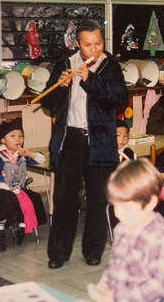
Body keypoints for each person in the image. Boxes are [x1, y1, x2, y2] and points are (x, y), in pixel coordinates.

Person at [41, 19, 127, 269]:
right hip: (70, 139)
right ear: (77, 44)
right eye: (88, 45)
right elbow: (48, 103)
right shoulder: (64, 64)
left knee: (98, 200)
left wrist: (90, 79)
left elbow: (117, 98)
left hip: (99, 140)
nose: (94, 49)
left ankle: (93, 249)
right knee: (65, 198)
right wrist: (61, 87)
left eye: (98, 43)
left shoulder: (110, 66)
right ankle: (58, 253)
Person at [92, 159, 164, 302]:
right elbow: (114, 264)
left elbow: (157, 286)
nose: (118, 214)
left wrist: (118, 301)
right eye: (115, 206)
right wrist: (105, 283)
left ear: (150, 202)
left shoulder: (159, 238)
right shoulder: (122, 227)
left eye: (126, 208)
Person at [0, 118, 47, 252]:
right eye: (12, 136)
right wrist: (11, 189)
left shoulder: (21, 155)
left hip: (19, 189)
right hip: (0, 190)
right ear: (2, 140)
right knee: (11, 198)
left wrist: (29, 153)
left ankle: (21, 225)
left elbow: (41, 159)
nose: (17, 139)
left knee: (35, 197)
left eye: (20, 136)